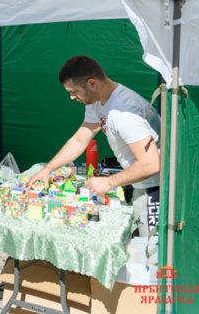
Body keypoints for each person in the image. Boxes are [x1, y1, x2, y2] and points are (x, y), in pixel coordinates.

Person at [27, 55, 160, 236]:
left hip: (155, 189)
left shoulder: (124, 113)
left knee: (151, 250)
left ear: (91, 83)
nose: (72, 97)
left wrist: (109, 182)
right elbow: (79, 140)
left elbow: (151, 163)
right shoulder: (97, 101)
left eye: (74, 92)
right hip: (139, 184)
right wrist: (47, 169)